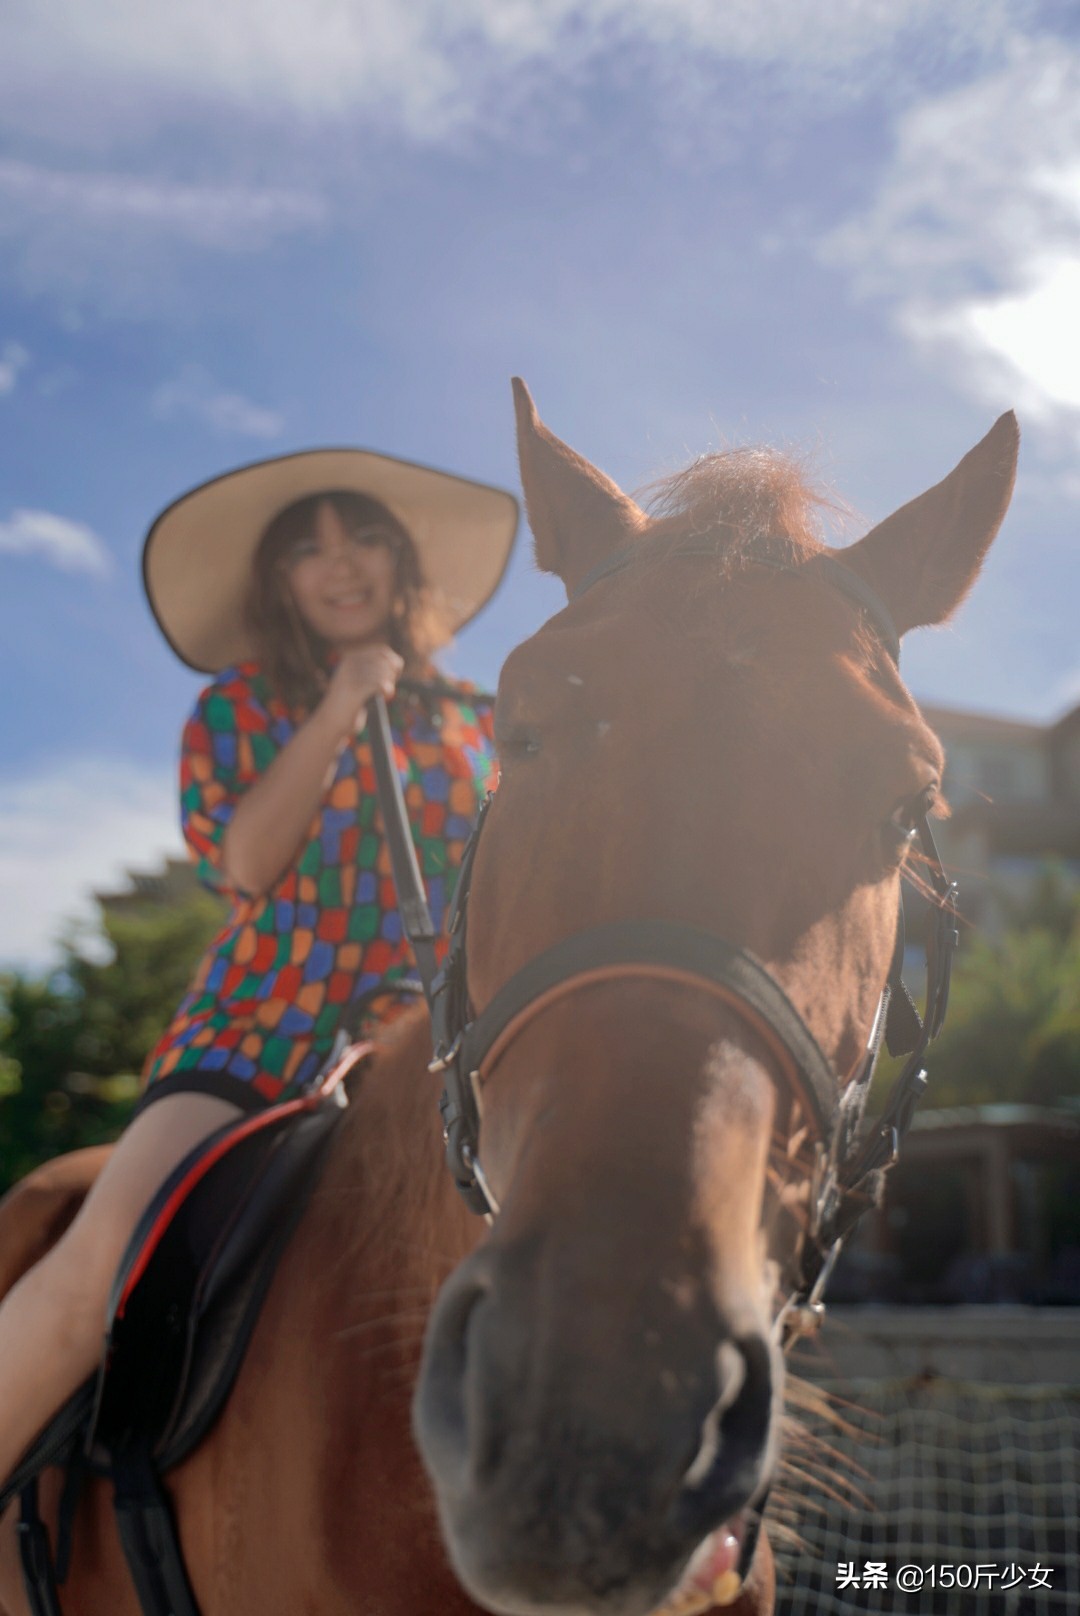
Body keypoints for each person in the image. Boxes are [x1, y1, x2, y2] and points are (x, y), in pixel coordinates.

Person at [0, 449, 517, 1484]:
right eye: (307, 548)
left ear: (400, 559)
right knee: (106, 1250)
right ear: (279, 579)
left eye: (362, 535)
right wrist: (336, 708)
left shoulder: (480, 722)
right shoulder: (236, 706)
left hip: (437, 1044)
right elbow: (244, 863)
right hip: (258, 1027)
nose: (340, 564)